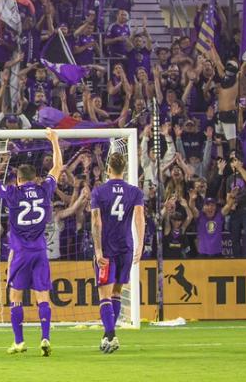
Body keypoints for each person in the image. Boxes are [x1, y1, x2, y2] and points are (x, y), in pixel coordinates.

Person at [0, 127, 62, 356]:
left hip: (21, 252)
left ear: (18, 178)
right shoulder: (45, 189)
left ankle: (19, 341)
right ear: (34, 178)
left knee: (16, 296)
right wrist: (54, 141)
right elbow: (57, 168)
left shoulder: (13, 193)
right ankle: (44, 338)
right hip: (40, 251)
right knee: (43, 296)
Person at [90, 151, 145, 354]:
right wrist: (140, 244)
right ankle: (108, 335)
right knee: (116, 292)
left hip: (107, 250)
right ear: (125, 169)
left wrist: (97, 250)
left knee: (104, 294)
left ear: (108, 169)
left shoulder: (98, 191)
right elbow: (139, 217)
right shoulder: (135, 192)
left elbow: (96, 221)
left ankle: (111, 336)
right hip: (126, 248)